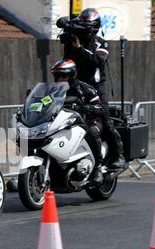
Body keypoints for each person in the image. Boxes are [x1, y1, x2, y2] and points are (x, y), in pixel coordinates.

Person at [61, 8, 127, 169]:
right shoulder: (73, 42)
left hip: (96, 88)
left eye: (88, 27)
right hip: (76, 87)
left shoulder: (100, 42)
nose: (85, 30)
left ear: (94, 27)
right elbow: (67, 61)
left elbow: (96, 61)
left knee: (105, 119)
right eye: (82, 26)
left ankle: (119, 155)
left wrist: (80, 49)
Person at [51, 59, 104, 169]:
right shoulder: (54, 91)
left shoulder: (86, 89)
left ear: (72, 75)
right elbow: (45, 102)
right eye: (58, 76)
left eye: (63, 76)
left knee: (93, 131)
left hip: (87, 122)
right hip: (64, 124)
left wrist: (86, 108)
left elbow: (100, 108)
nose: (60, 79)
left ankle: (98, 166)